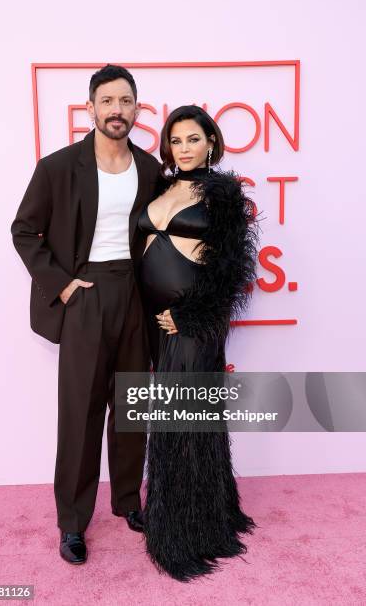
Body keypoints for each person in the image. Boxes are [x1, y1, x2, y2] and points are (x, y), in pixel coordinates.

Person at [11, 65, 160, 565]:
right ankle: (72, 523)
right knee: (80, 414)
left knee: (132, 406)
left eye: (125, 101)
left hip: (134, 294)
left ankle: (126, 503)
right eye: (108, 101)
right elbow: (23, 230)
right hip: (86, 296)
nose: (117, 110)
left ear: (137, 109)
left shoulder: (151, 169)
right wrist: (64, 286)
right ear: (91, 108)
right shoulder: (58, 167)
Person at [137, 105, 260, 581]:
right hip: (154, 322)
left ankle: (188, 530)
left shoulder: (223, 194)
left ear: (211, 141)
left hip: (191, 325)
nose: (183, 148)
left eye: (193, 139)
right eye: (176, 140)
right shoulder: (160, 188)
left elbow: (230, 273)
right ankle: (195, 514)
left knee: (182, 420)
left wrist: (187, 316)